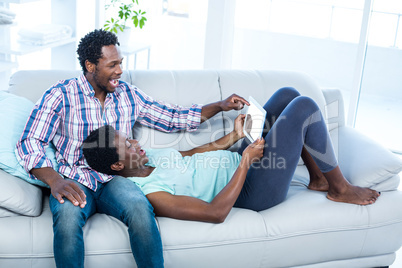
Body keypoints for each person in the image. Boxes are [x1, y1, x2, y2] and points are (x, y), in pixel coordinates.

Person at [15, 29, 248, 268]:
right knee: (66, 220)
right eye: (112, 64)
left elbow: (172, 117)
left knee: (139, 209)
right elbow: (30, 142)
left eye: (121, 63)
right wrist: (55, 181)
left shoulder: (127, 94)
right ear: (90, 65)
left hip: (117, 178)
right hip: (74, 178)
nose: (119, 71)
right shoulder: (60, 95)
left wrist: (220, 105)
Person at [82, 87, 380, 224]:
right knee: (303, 107)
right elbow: (215, 213)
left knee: (287, 95)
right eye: (129, 145)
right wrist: (247, 161)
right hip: (251, 191)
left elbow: (194, 152)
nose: (136, 142)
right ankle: (339, 188)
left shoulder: (151, 159)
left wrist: (235, 137)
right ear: (119, 164)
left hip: (241, 161)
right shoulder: (152, 194)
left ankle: (318, 179)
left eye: (131, 138)